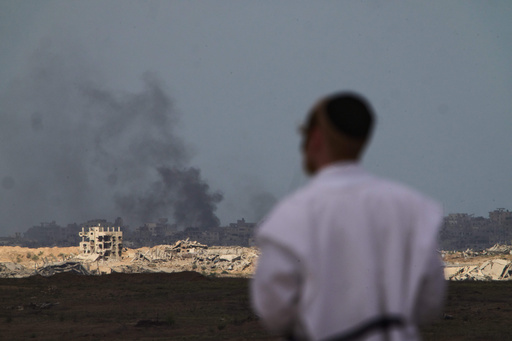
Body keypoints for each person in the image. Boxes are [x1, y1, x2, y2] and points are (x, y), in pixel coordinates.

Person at [250, 92, 446, 341]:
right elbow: (429, 302)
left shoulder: (291, 216)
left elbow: (273, 310)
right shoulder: (413, 208)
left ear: (316, 138)